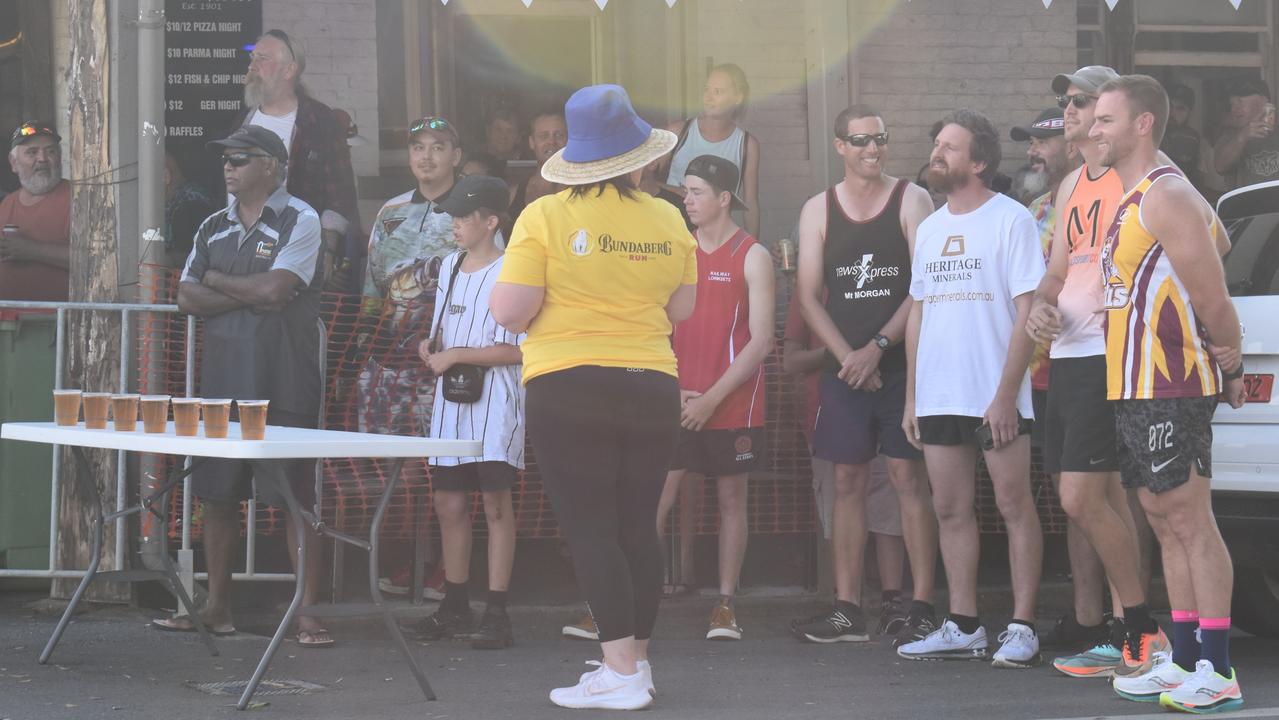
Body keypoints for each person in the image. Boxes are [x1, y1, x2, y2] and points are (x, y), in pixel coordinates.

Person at [490, 84, 695, 710]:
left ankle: (621, 673)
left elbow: (509, 311)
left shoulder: (545, 215)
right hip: (653, 381)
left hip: (567, 381)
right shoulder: (668, 215)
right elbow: (681, 307)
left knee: (591, 529)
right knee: (636, 524)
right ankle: (635, 662)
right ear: (637, 156)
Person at [1094, 75, 1247, 713]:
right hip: (1132, 385)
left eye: (1105, 118)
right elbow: (1226, 235)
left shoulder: (1166, 195)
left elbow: (1212, 288)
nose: (1092, 127)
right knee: (1162, 520)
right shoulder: (1139, 196)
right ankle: (1184, 660)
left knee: (1189, 519)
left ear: (1143, 123)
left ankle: (1219, 669)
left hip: (1172, 381)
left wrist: (1231, 358)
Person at [155, 125, 329, 646]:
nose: (229, 167)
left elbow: (279, 288)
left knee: (296, 499)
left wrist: (218, 283)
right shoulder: (211, 225)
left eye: (242, 158)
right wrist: (247, 293)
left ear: (272, 165)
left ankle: (308, 614)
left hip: (284, 376)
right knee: (218, 497)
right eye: (226, 158)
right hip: (222, 380)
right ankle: (217, 608)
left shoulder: (301, 217)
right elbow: (185, 296)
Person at [1023, 67, 1166, 680]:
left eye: (1085, 103)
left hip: (1119, 350)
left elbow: (1205, 244)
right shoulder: (1072, 184)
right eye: (1069, 102)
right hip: (1072, 352)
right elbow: (1058, 270)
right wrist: (1040, 312)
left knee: (1089, 496)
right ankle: (1126, 633)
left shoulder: (1150, 177)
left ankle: (1141, 627)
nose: (1071, 113)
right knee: (1093, 497)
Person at [897, 109, 1045, 669]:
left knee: (1013, 504)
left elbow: (1028, 311)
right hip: (939, 394)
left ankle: (1023, 625)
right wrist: (913, 396)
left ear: (978, 161)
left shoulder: (1012, 221)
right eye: (937, 144)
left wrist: (1006, 394)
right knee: (950, 509)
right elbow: (918, 314)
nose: (938, 153)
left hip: (995, 394)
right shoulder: (931, 227)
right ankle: (963, 625)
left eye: (950, 147)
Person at [791, 105, 939, 647]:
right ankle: (847, 607)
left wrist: (877, 349)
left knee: (907, 480)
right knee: (848, 481)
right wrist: (850, 357)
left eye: (879, 139)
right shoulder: (817, 209)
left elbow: (923, 287)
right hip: (846, 368)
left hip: (902, 366)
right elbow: (807, 296)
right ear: (839, 146)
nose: (872, 150)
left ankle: (920, 605)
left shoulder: (912, 199)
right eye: (860, 141)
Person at [655, 155, 774, 641]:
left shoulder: (753, 254)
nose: (688, 199)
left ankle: (725, 603)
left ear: (725, 198)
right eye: (686, 191)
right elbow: (655, 327)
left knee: (731, 501)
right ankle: (628, 603)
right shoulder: (674, 251)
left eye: (697, 191)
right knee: (652, 502)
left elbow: (762, 340)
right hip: (676, 400)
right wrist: (672, 391)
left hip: (732, 402)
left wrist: (711, 399)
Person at [406, 175, 526, 650]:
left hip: (496, 401)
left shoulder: (516, 268)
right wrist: (430, 347)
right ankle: (455, 604)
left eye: (463, 216)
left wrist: (457, 355)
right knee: (449, 502)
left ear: (491, 221)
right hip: (452, 403)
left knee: (496, 504)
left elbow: (520, 350)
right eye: (452, 214)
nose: (454, 223)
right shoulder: (452, 266)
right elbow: (442, 333)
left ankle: (497, 611)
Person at [362, 115, 464, 600]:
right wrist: (363, 348)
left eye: (438, 147)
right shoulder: (391, 212)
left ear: (455, 156)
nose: (427, 156)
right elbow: (371, 286)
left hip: (449, 362)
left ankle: (450, 567)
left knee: (448, 469)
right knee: (399, 471)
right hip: (391, 363)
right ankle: (412, 561)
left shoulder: (474, 212)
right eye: (419, 147)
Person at [781, 292, 911, 639]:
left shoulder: (884, 285)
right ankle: (845, 605)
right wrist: (844, 357)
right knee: (837, 503)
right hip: (826, 410)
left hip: (886, 395)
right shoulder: (808, 296)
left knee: (889, 505)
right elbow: (789, 360)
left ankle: (892, 603)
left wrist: (870, 356)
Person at [235, 29, 359, 292]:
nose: (252, 66)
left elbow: (341, 194)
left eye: (263, 59)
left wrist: (326, 250)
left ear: (289, 70)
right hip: (240, 252)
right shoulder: (240, 122)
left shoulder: (319, 121)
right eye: (253, 58)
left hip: (295, 254)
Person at [659, 64, 761, 237]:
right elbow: (646, 183)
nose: (708, 97)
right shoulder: (677, 132)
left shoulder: (746, 145)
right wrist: (682, 192)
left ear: (738, 97)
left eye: (718, 92)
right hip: (670, 234)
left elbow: (750, 203)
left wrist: (752, 247)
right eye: (706, 89)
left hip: (716, 239)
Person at [0, 122, 70, 301]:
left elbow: (96, 258)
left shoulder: (78, 198)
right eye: (32, 152)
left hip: (58, 323)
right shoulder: (7, 203)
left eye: (51, 151)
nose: (42, 159)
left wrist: (32, 250)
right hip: (9, 321)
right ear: (14, 162)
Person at [1213, 77, 1278, 191]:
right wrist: (1242, 137)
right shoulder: (1230, 135)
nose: (1234, 109)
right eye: (1232, 104)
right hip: (1246, 207)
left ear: (1263, 101)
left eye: (1240, 102)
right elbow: (1220, 166)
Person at [162, 146, 216, 269]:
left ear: (166, 176)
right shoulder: (171, 200)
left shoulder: (192, 204)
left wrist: (166, 259)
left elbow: (199, 255)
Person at [507, 111, 567, 218]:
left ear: (568, 140)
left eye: (559, 135)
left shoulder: (581, 190)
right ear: (532, 142)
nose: (552, 142)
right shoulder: (513, 194)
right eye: (543, 136)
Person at [1161, 83, 1203, 191]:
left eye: (1180, 108)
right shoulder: (1146, 132)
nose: (1172, 113)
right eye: (1169, 106)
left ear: (1190, 113)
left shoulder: (1190, 138)